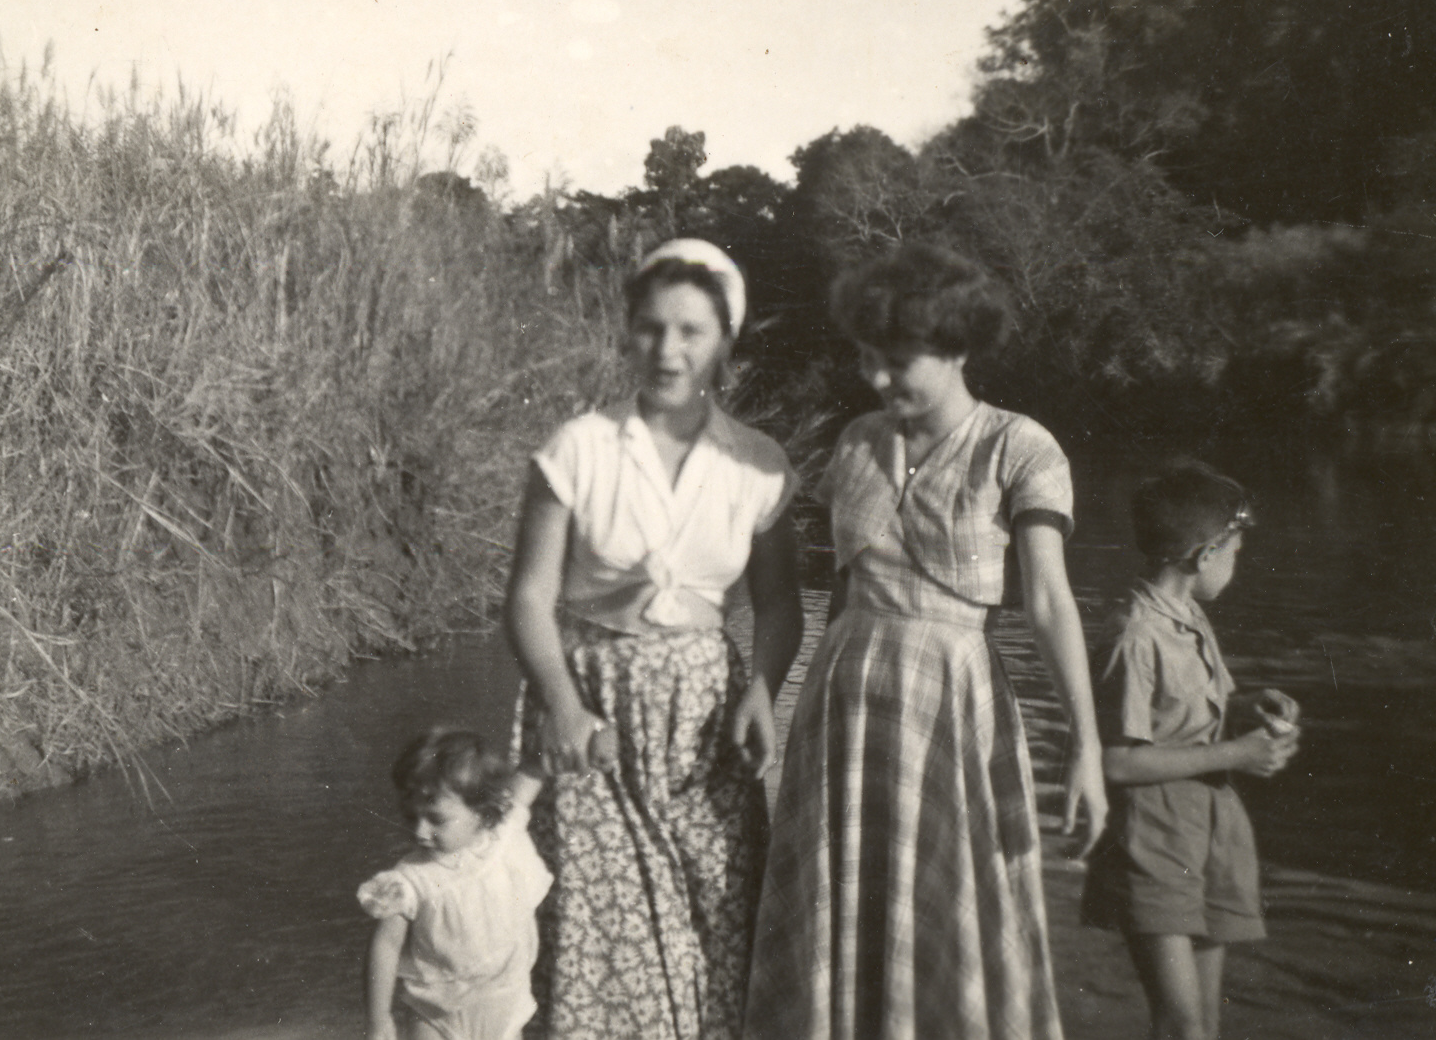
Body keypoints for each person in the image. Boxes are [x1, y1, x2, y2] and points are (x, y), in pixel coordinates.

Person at [747, 243, 1108, 1040]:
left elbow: (1048, 601)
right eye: (867, 358)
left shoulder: (1019, 446)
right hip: (845, 706)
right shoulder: (856, 442)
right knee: (837, 911)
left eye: (898, 361)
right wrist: (775, 699)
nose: (877, 379)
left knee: (949, 913)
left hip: (950, 701)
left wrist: (1085, 745)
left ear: (958, 349)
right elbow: (841, 592)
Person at [504, 238, 804, 1039]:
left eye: (691, 331)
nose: (667, 350)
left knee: (716, 916)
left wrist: (763, 692)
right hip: (590, 707)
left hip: (706, 719)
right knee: (597, 937)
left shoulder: (759, 464)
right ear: (626, 334)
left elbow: (779, 606)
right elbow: (529, 598)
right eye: (649, 328)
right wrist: (563, 708)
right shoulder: (576, 450)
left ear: (724, 343)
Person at [1079, 463, 1302, 1040]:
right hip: (1151, 841)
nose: (1236, 565)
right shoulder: (1134, 635)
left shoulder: (1188, 617)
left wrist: (1253, 707)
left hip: (1210, 831)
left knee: (1205, 1024)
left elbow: (1203, 713)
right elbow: (1117, 761)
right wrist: (1238, 755)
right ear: (1205, 556)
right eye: (1235, 554)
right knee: (1181, 1025)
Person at [359, 728, 553, 1040]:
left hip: (503, 1007)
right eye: (412, 816)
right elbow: (385, 945)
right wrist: (379, 1020)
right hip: (434, 1014)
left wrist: (575, 731)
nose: (421, 832)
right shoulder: (411, 876)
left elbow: (533, 771)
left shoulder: (504, 836)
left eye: (436, 819)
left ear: (481, 811)